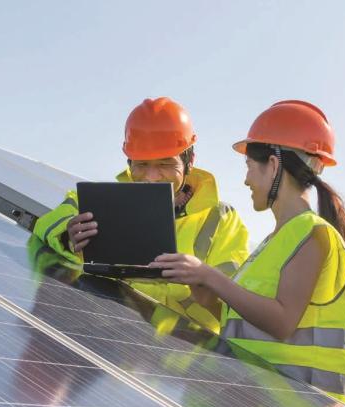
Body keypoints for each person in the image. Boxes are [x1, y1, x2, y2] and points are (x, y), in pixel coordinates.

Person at [150, 100, 345, 407]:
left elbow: (281, 322)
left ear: (274, 166)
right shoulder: (273, 243)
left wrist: (209, 274)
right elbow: (244, 323)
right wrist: (205, 294)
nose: (246, 180)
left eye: (250, 167)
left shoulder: (313, 233)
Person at [31, 97, 249, 332]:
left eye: (166, 164)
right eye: (142, 165)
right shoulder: (101, 203)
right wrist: (67, 234)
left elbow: (233, 306)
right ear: (129, 161)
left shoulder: (221, 220)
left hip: (178, 355)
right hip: (105, 335)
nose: (152, 177)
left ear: (189, 162)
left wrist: (197, 280)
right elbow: (49, 222)